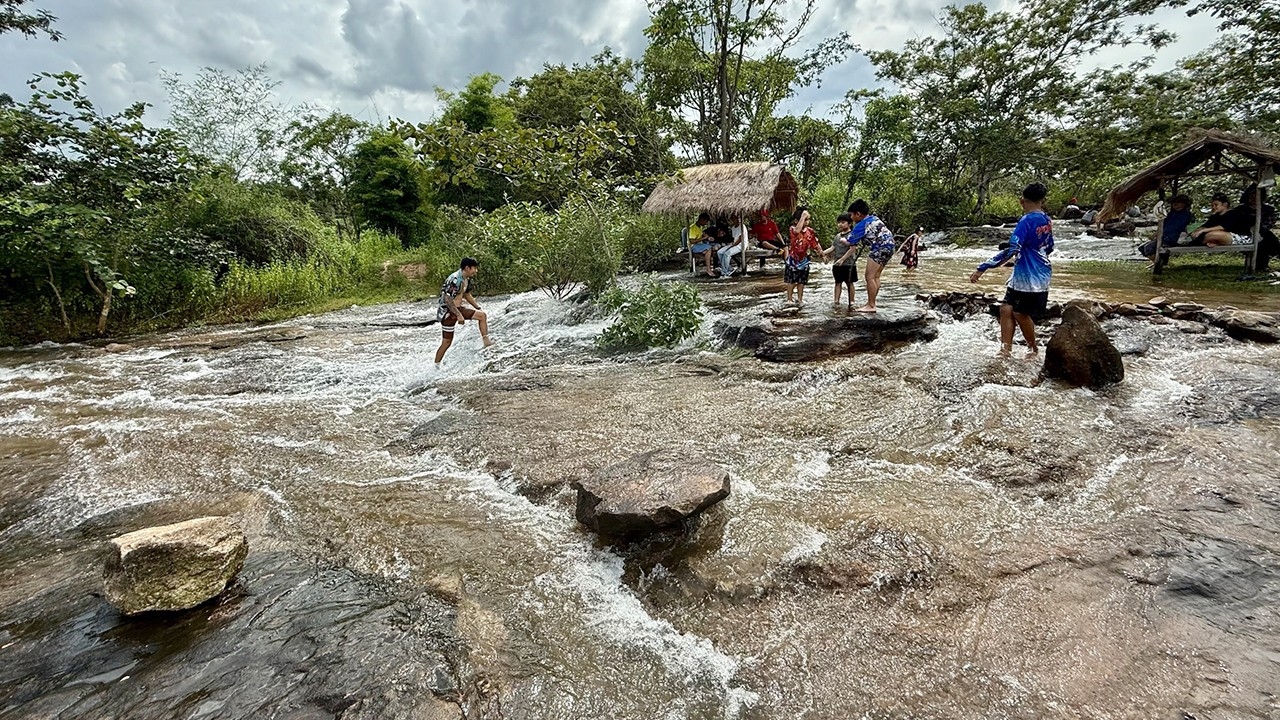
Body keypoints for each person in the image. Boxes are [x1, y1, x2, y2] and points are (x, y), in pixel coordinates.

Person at [969, 182, 1055, 359]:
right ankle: (1005, 349)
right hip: (1033, 273)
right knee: (1006, 309)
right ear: (1042, 200)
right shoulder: (1046, 220)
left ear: (1021, 201)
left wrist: (983, 267)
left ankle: (1033, 348)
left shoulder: (1026, 221)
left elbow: (1012, 249)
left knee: (1020, 313)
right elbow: (1050, 246)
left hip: (1030, 278)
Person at [435, 257, 492, 363]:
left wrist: (477, 307)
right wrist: (458, 315)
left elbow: (466, 294)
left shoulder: (465, 279)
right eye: (474, 268)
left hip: (458, 309)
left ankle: (486, 342)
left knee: (482, 315)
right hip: (448, 312)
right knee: (447, 342)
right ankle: (436, 365)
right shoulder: (455, 279)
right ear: (467, 268)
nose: (476, 271)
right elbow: (447, 299)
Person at [846, 199, 896, 313]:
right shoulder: (874, 218)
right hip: (890, 246)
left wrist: (843, 240)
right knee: (876, 276)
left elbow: (850, 240)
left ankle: (871, 305)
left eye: (851, 215)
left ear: (858, 214)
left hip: (879, 247)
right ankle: (872, 302)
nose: (851, 218)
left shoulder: (861, 224)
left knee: (869, 276)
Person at [784, 206, 822, 306]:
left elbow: (815, 243)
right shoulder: (793, 229)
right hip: (793, 260)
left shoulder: (810, 231)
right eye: (805, 219)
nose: (807, 222)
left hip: (804, 260)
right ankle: (789, 299)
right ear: (797, 221)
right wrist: (803, 216)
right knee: (791, 281)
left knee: (801, 282)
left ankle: (800, 299)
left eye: (807, 219)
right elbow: (797, 231)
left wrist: (821, 253)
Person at [1139, 194, 1194, 260]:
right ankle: (1159, 261)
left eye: (1178, 202)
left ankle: (1158, 264)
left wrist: (1159, 234)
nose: (1175, 204)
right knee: (1142, 248)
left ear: (1184, 204)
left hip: (1172, 238)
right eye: (1173, 203)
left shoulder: (1185, 215)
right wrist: (1157, 234)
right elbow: (1164, 225)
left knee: (1148, 248)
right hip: (1164, 236)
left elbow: (1173, 227)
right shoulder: (1171, 214)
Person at [822, 212, 858, 309]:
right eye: (839, 222)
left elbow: (852, 249)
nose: (840, 224)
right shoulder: (837, 236)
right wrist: (823, 252)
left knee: (849, 283)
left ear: (849, 223)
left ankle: (852, 301)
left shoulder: (852, 235)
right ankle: (836, 301)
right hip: (837, 264)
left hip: (849, 264)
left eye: (843, 222)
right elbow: (833, 247)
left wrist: (842, 259)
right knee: (837, 282)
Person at [687, 212, 719, 276]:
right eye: (706, 221)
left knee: (710, 249)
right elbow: (692, 241)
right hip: (693, 246)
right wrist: (703, 238)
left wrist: (708, 238)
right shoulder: (693, 228)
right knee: (709, 248)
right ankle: (708, 269)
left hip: (699, 245)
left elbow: (702, 234)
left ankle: (714, 267)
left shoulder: (699, 227)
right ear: (701, 220)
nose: (706, 223)